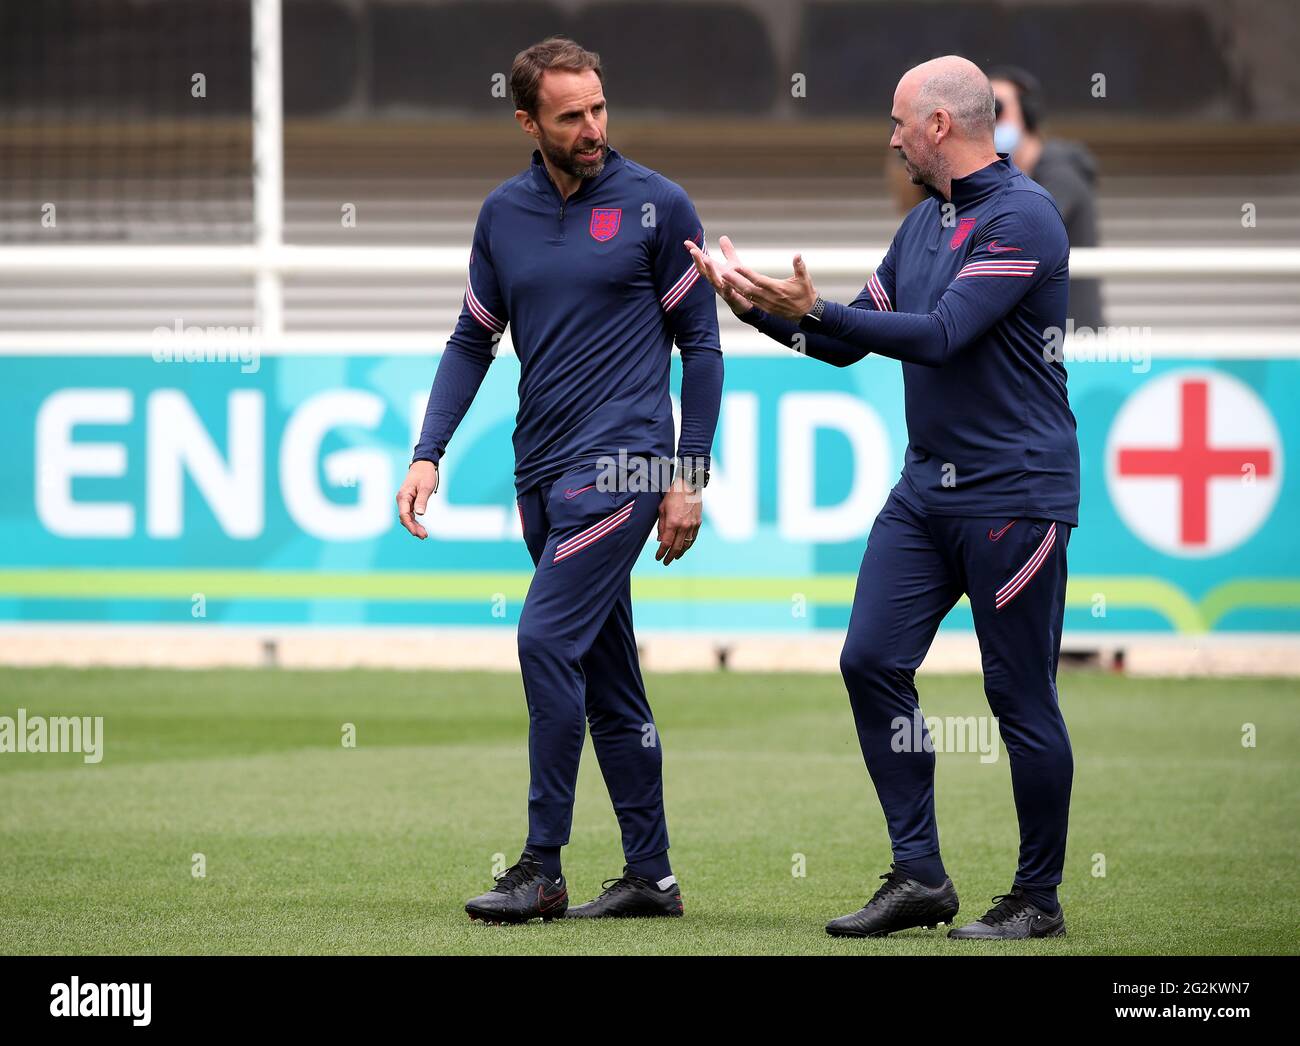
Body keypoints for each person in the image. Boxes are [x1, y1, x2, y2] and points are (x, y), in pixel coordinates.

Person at [687, 55, 1079, 941]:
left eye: (901, 120)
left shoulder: (1026, 217)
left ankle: (1038, 898)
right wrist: (753, 306)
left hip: (1015, 495)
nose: (892, 136)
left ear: (941, 125)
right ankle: (920, 877)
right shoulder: (922, 229)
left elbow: (939, 338)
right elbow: (847, 341)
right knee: (869, 660)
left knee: (1019, 699)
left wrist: (817, 307)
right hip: (926, 492)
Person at [396, 36, 723, 924]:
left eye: (600, 108)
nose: (592, 127)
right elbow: (473, 339)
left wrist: (688, 472)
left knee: (544, 641)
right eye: (571, 114)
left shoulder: (659, 205)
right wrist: (429, 450)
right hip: (539, 472)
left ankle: (541, 866)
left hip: (624, 465)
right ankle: (651, 877)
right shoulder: (502, 215)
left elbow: (703, 344)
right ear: (527, 120)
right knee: (609, 677)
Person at [989, 65, 1105, 329]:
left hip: (1074, 341)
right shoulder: (1005, 179)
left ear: (1028, 115)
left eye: (997, 108)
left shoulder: (1062, 175)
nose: (989, 120)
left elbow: (1017, 235)